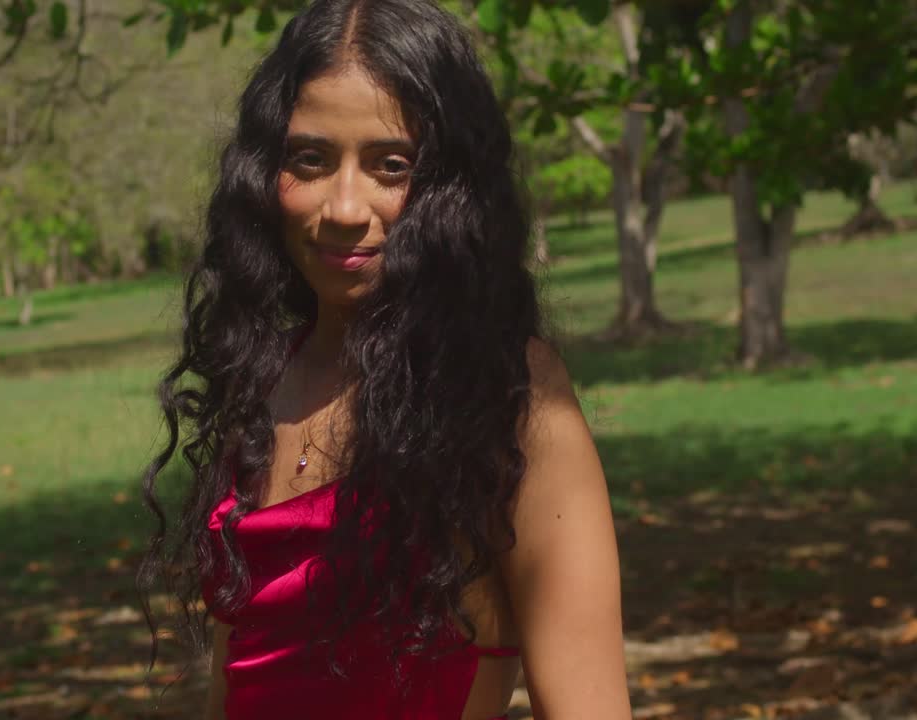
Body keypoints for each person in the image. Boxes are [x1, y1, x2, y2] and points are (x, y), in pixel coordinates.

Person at [139, 1, 632, 717]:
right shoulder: (257, 384)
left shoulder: (509, 397)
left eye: (390, 165)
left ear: (449, 188)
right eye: (309, 159)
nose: (344, 205)